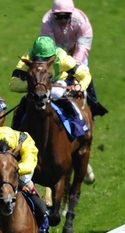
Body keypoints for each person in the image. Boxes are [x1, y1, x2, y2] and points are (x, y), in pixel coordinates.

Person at [9, 35, 96, 183]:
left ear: (53, 57)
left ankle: (81, 129)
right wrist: (34, 87)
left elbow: (85, 75)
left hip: (57, 84)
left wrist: (80, 86)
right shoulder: (27, 56)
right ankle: (15, 137)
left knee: (56, 94)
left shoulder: (63, 58)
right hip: (36, 86)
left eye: (45, 60)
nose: (41, 63)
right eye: (38, 59)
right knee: (22, 106)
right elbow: (13, 84)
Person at [39, 0, 107, 116]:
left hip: (76, 47)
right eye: (59, 16)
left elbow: (83, 47)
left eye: (66, 16)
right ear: (53, 15)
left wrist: (74, 67)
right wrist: (60, 63)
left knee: (84, 72)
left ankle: (93, 105)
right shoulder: (47, 22)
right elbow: (49, 47)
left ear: (71, 13)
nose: (63, 20)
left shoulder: (82, 21)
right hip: (55, 49)